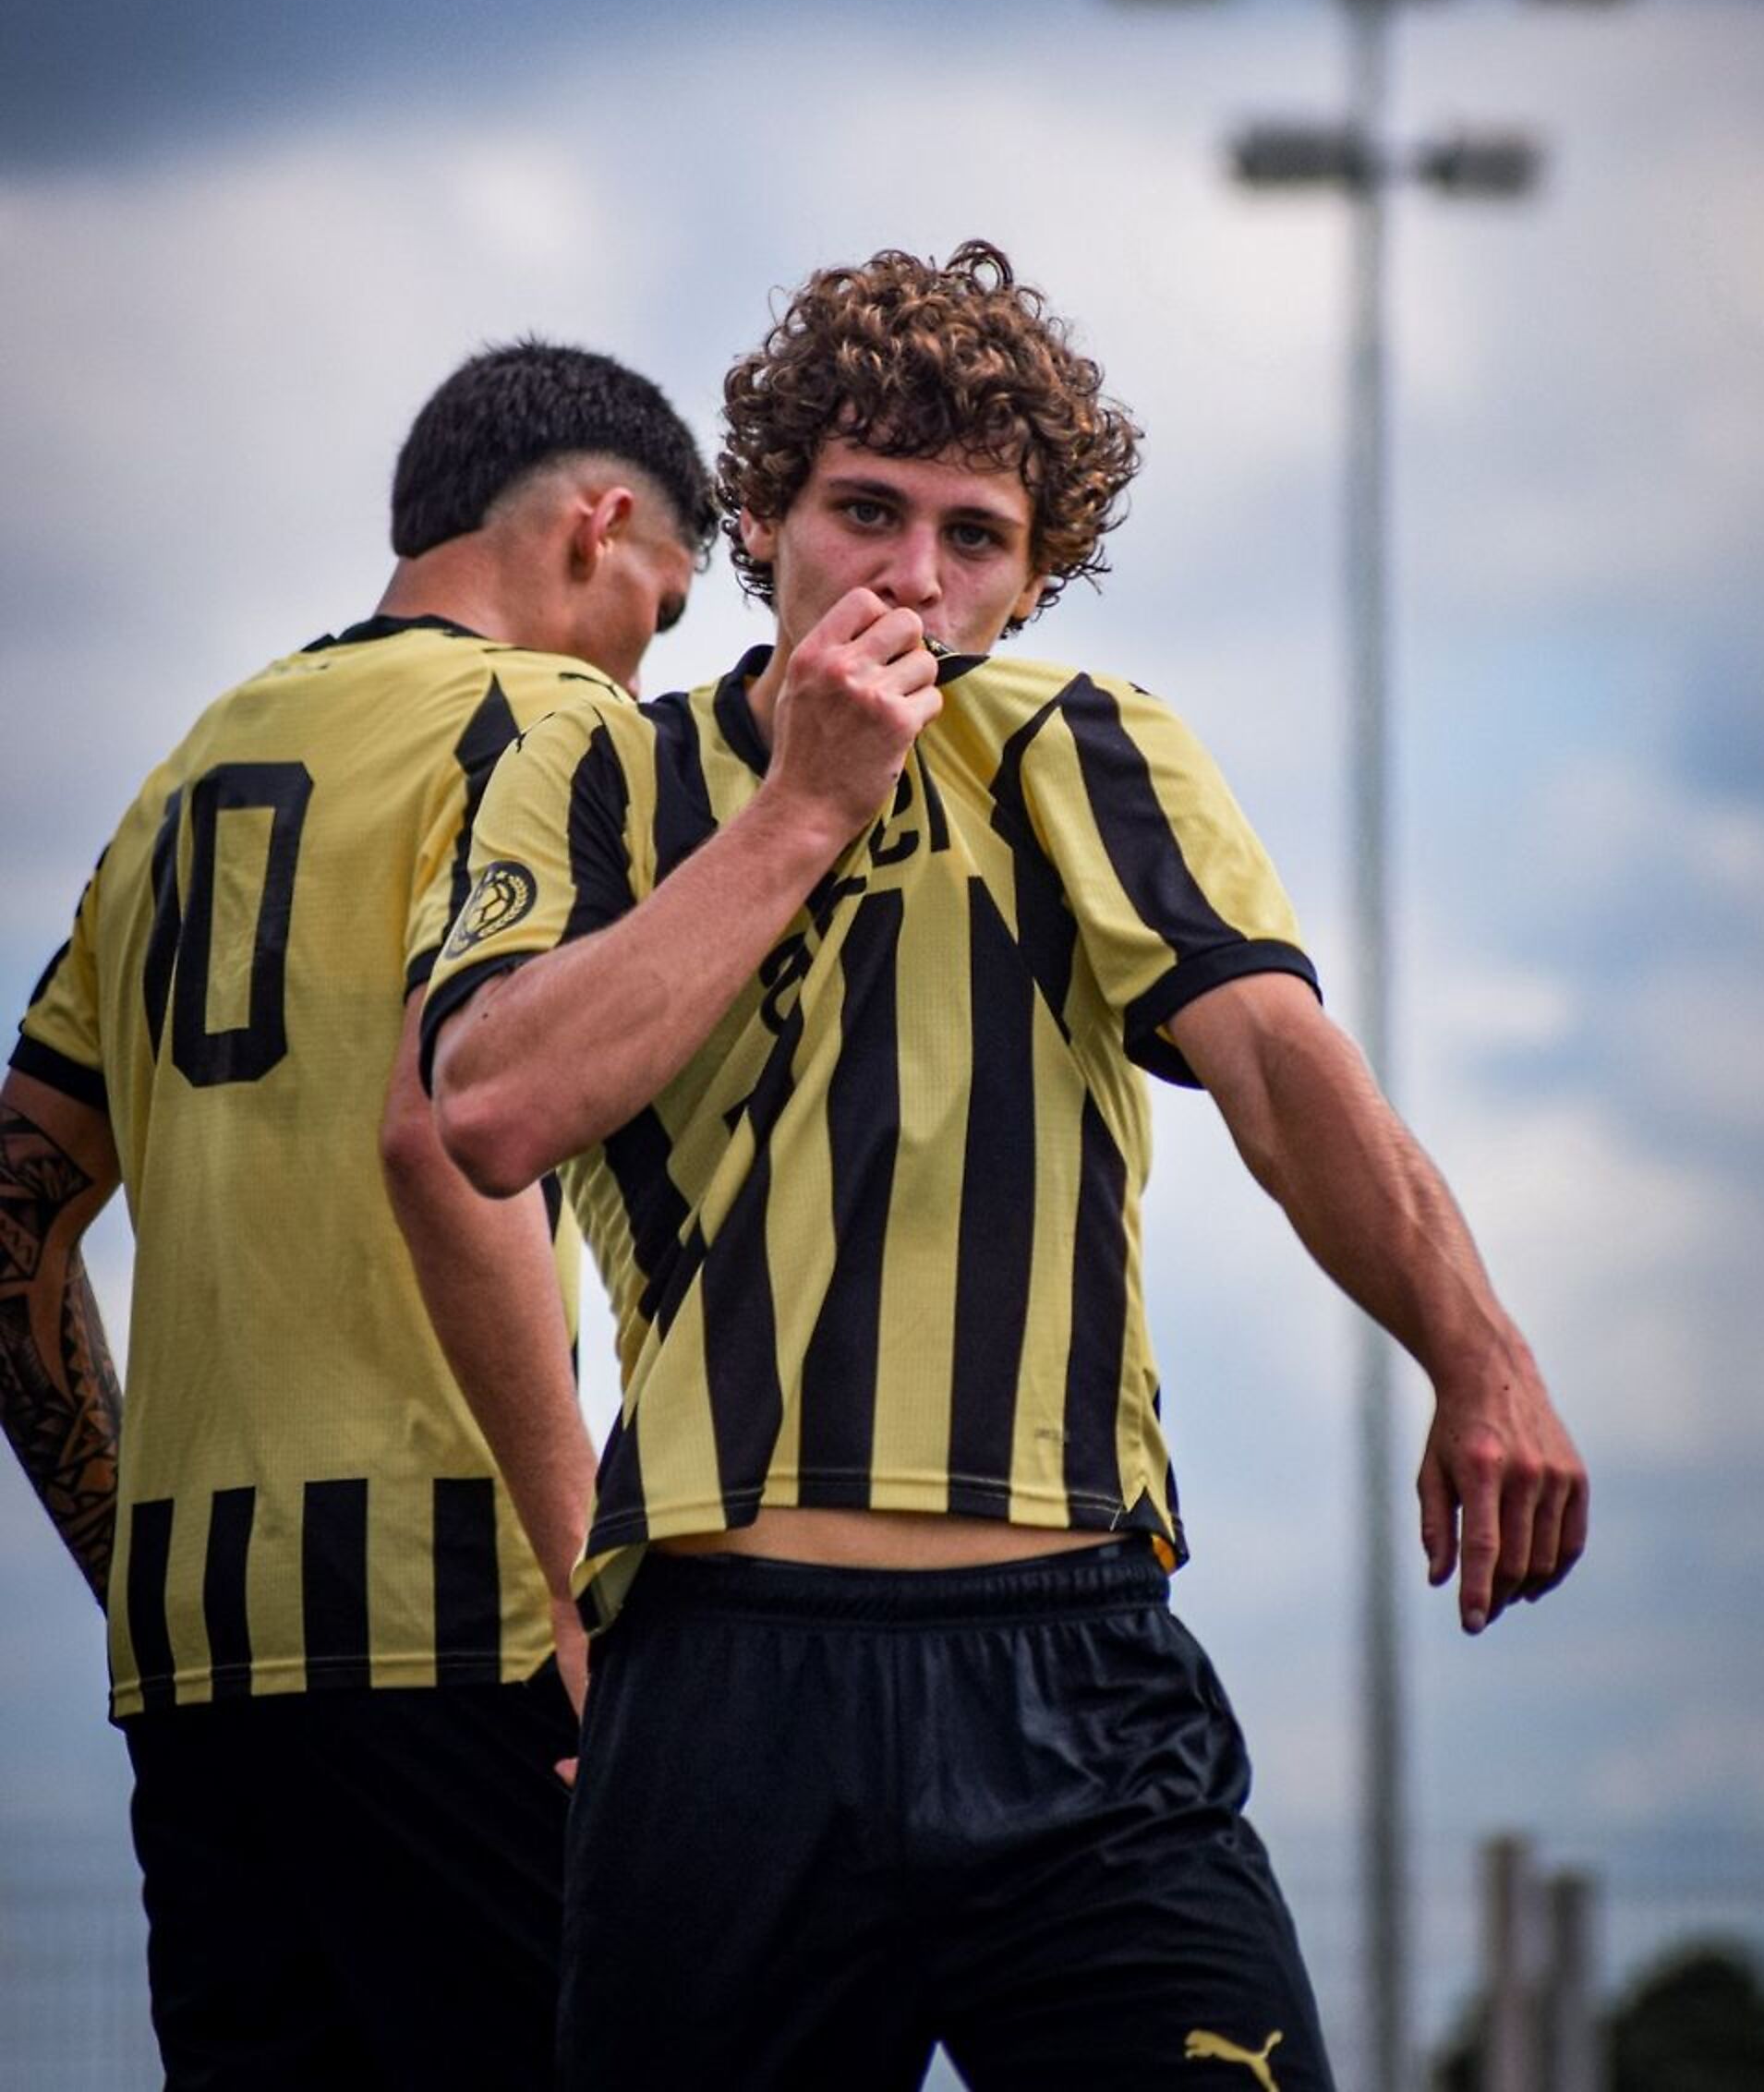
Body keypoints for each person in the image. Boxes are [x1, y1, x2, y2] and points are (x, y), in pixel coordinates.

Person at [423, 247, 1589, 2092]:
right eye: (864, 512)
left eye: (973, 539)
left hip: (1071, 1669)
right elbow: (489, 1109)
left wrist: (1481, 1351)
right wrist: (806, 806)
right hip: (724, 1687)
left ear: (1032, 577)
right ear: (760, 520)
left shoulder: (1084, 748)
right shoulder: (592, 779)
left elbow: (1282, 1071)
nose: (911, 578)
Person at [0, 339, 714, 2092]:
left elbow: (12, 1209)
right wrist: (585, 1595)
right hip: (454, 1623)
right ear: (598, 527)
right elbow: (452, 1140)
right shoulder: (549, 724)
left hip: (195, 1668)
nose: (652, 652)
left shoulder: (182, 775)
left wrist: (127, 1551)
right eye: (669, 602)